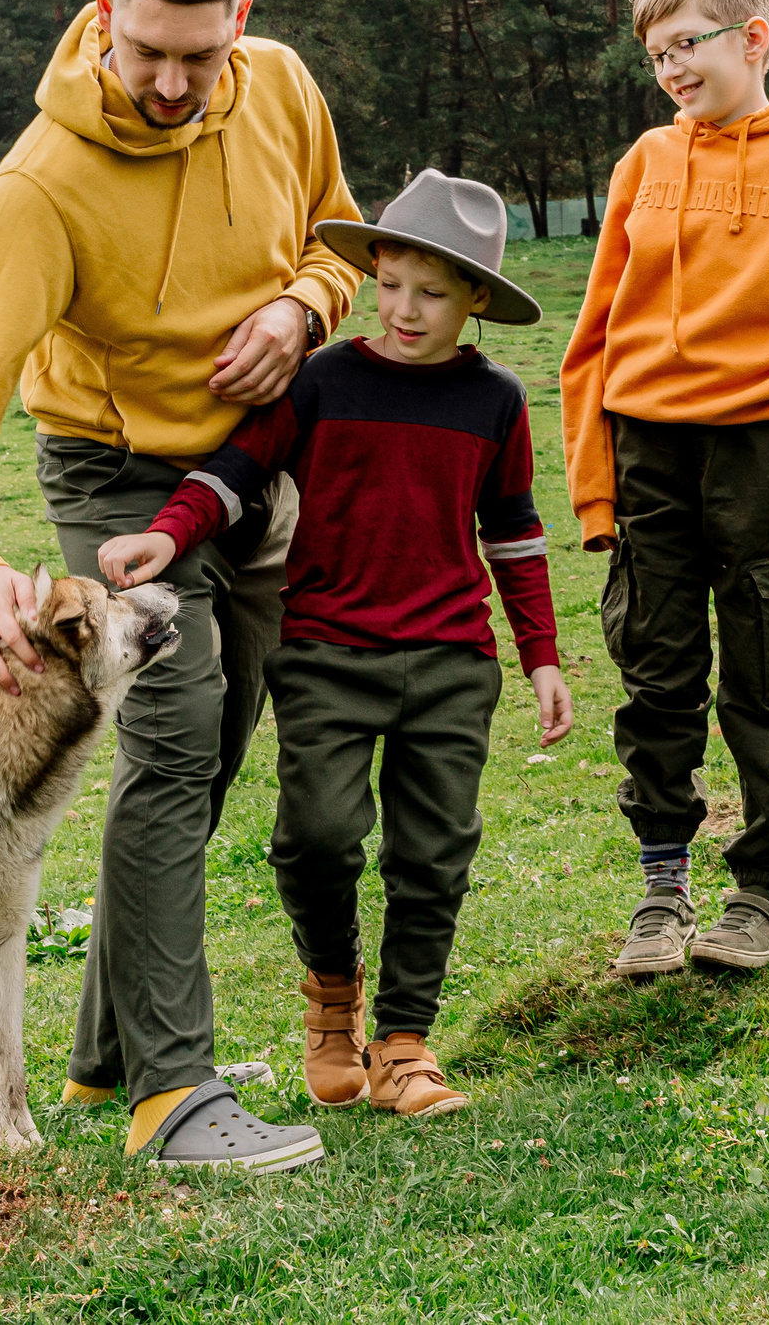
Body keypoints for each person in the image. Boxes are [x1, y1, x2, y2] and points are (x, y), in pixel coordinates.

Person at [0, 0, 364, 1169]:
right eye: (145, 49)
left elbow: (337, 232)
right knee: (170, 744)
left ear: (241, 31)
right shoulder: (43, 183)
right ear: (105, 15)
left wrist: (302, 310)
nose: (169, 83)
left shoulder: (281, 89)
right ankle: (174, 1096)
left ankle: (108, 1054)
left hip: (258, 468)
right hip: (114, 481)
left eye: (197, 58)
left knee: (212, 748)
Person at [99, 171, 573, 1117]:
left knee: (434, 852)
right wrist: (169, 531)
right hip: (324, 650)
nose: (406, 309)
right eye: (391, 284)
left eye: (433, 294)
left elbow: (513, 530)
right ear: (373, 273)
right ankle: (331, 996)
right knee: (315, 835)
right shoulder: (324, 380)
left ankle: (403, 1040)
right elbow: (237, 470)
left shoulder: (498, 400)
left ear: (475, 301)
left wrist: (542, 654)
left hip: (450, 659)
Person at [559, 0, 769, 977]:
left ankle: (759, 894)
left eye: (685, 46)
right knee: (654, 676)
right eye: (655, 56)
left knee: (762, 679)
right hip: (645, 450)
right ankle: (660, 891)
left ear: (754, 39)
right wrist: (594, 487)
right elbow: (592, 336)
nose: (669, 71)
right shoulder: (643, 165)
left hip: (764, 457)